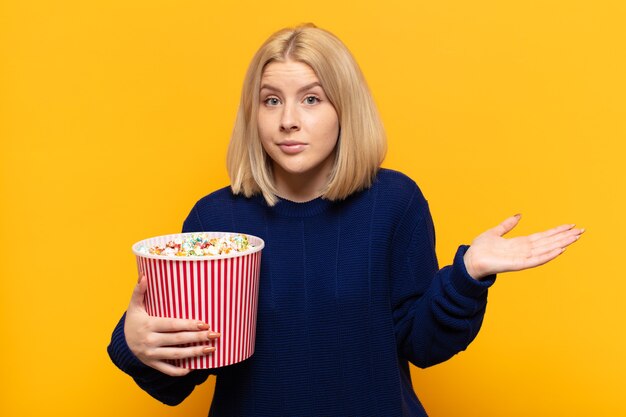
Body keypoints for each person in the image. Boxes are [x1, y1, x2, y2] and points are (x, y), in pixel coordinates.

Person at [108, 24, 583, 416]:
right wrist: (135, 341)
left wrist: (468, 275)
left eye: (311, 99)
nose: (288, 120)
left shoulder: (395, 202)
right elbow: (180, 375)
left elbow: (422, 343)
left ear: (344, 109)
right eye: (271, 100)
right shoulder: (215, 218)